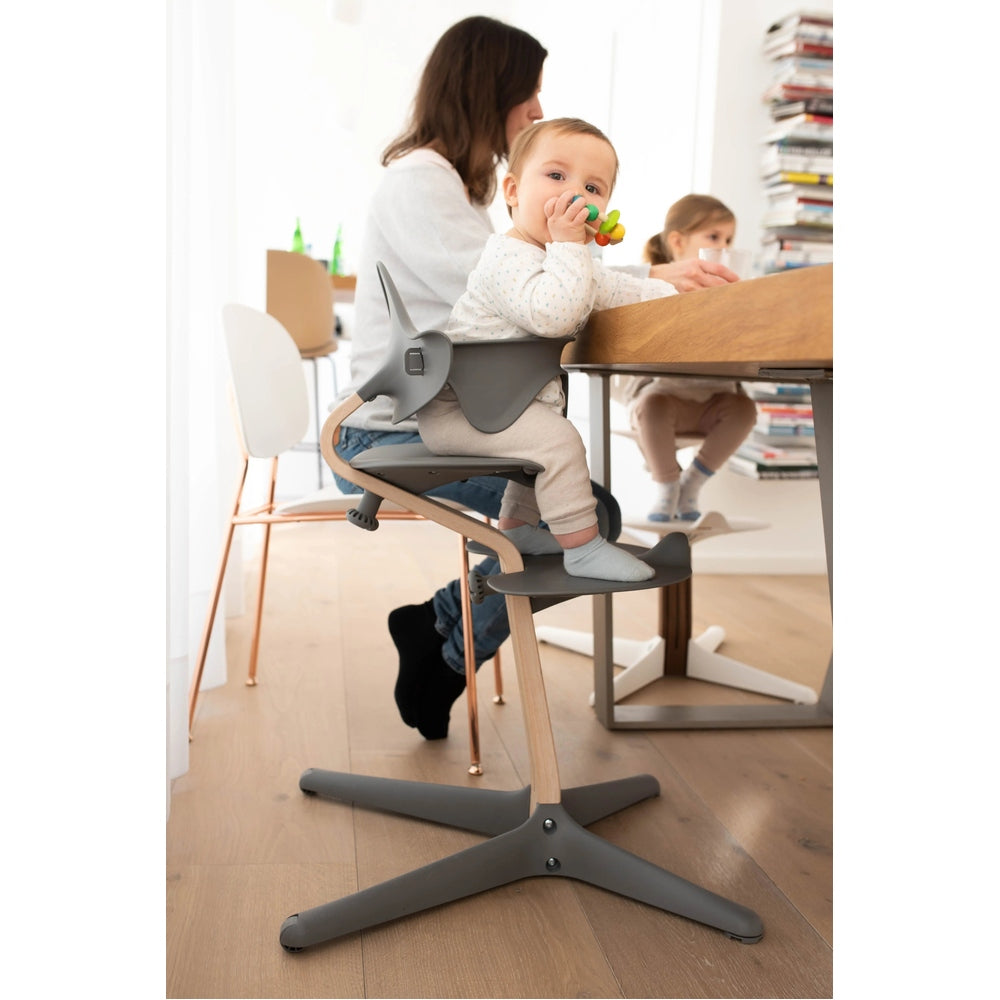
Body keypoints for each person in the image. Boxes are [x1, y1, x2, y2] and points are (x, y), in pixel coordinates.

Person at [332, 17, 740, 742]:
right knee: (587, 517)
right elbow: (539, 294)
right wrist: (642, 272)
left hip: (465, 408)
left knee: (569, 511)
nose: (538, 109)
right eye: (529, 93)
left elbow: (555, 281)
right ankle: (445, 648)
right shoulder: (421, 184)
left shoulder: (456, 191)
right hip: (391, 426)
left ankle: (437, 625)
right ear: (488, 90)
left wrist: (656, 284)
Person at [420, 118, 677, 585]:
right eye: (557, 176)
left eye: (593, 188)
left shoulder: (562, 259)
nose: (575, 194)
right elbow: (554, 315)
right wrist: (569, 245)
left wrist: (676, 296)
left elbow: (618, 290)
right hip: (460, 410)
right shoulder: (506, 257)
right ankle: (583, 549)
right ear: (513, 192)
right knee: (557, 442)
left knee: (544, 434)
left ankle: (516, 530)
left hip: (498, 406)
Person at [618, 194, 758, 522]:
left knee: (745, 410)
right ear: (678, 242)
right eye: (713, 237)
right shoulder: (655, 291)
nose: (724, 248)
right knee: (652, 407)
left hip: (713, 406)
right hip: (666, 403)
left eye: (728, 240)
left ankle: (691, 483)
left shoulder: (733, 298)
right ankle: (667, 487)